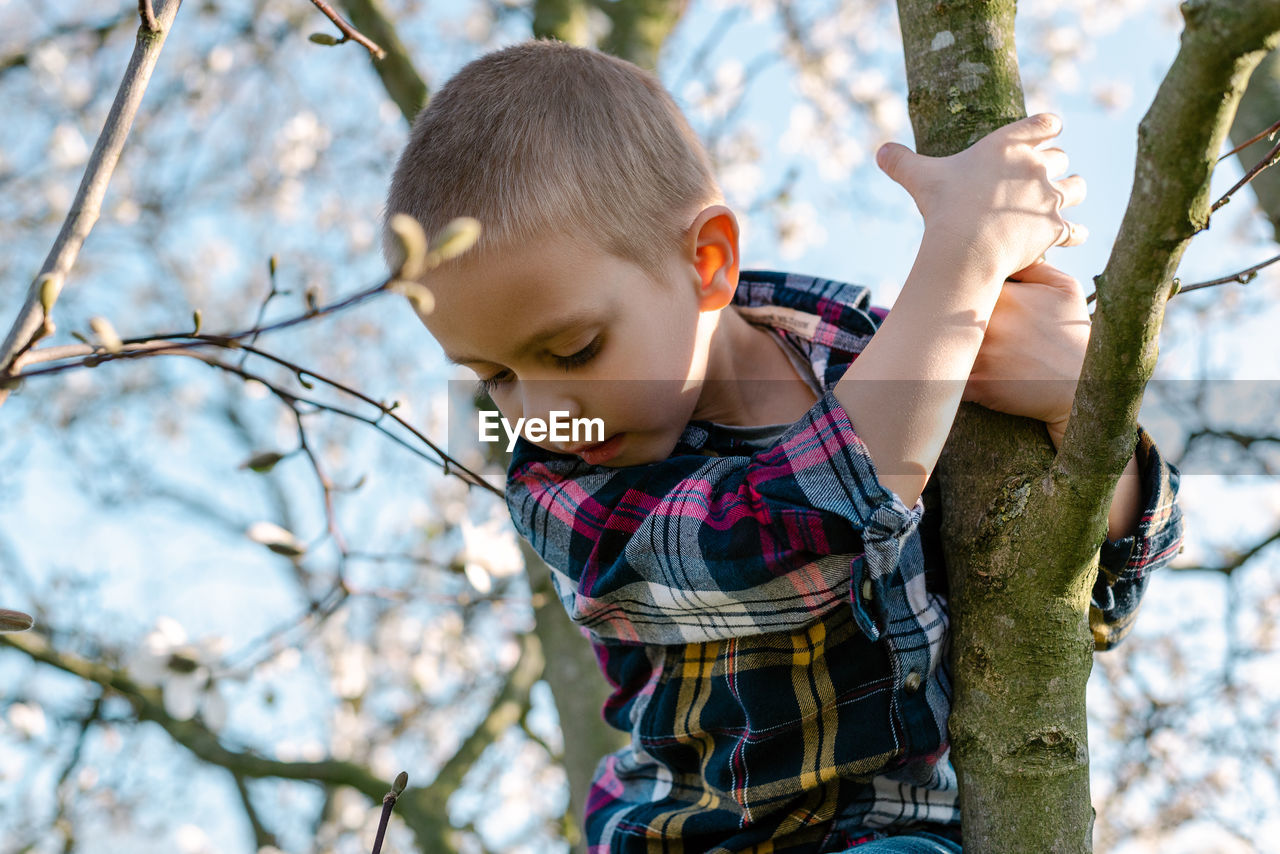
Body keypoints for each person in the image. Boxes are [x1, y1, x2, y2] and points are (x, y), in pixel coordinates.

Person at [383, 39, 1183, 853]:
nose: (543, 414)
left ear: (708, 261)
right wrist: (963, 261)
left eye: (576, 348)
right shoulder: (562, 496)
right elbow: (793, 536)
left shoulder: (873, 356)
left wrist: (1078, 419)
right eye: (493, 377)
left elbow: (1082, 596)